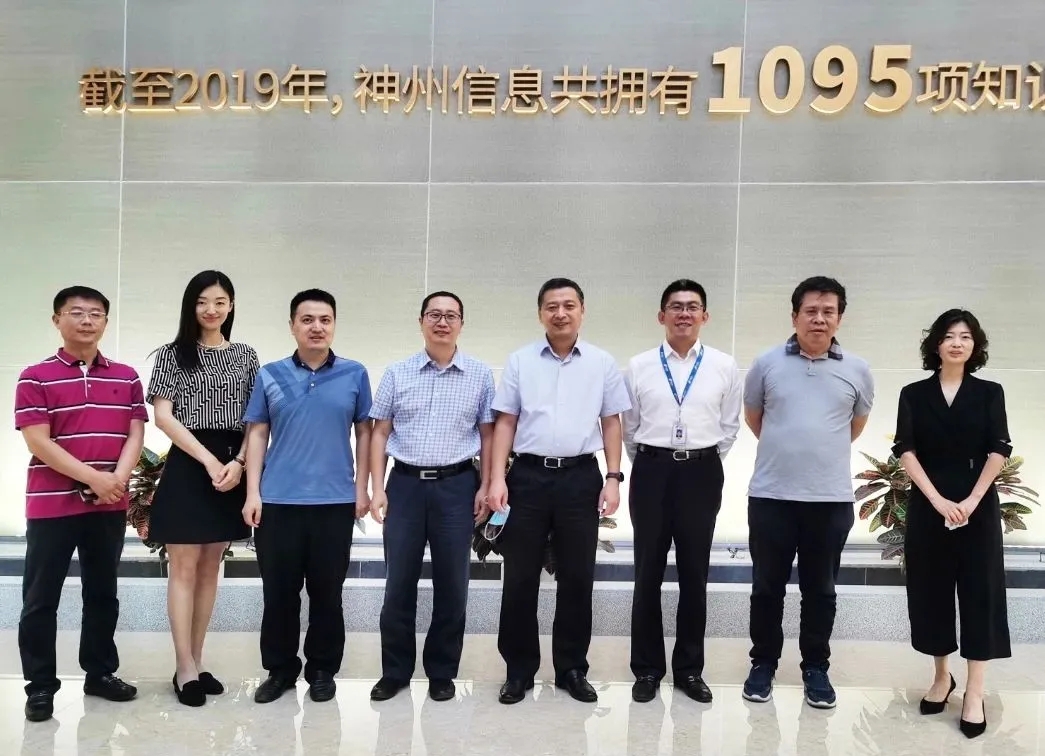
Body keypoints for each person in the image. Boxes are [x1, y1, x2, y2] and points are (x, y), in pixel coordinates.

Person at [486, 277, 632, 705]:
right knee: (519, 578)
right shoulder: (520, 361)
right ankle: (518, 670)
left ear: (582, 311)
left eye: (569, 305)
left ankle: (571, 668)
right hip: (527, 478)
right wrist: (496, 478)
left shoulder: (602, 362)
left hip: (580, 478)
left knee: (577, 577)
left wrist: (613, 477)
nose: (561, 313)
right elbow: (506, 422)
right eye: (552, 306)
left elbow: (611, 421)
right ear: (540, 314)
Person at [14, 286, 148, 722]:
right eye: (76, 312)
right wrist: (94, 478)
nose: (87, 320)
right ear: (57, 320)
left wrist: (116, 481)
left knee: (103, 593)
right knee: (40, 598)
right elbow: (38, 441)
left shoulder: (126, 376)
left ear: (106, 321)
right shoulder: (35, 376)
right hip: (51, 506)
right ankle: (40, 686)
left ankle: (100, 673)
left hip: (108, 504)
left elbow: (135, 434)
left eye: (95, 313)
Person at [741, 276, 874, 709]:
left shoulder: (857, 369)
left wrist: (817, 453)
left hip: (829, 500)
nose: (819, 319)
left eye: (828, 312)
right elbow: (755, 418)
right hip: (772, 497)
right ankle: (763, 663)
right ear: (794, 316)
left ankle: (815, 668)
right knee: (767, 588)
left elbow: (854, 426)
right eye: (810, 311)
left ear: (839, 318)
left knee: (821, 590)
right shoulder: (766, 363)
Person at [242, 289, 372, 704]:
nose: (317, 327)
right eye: (307, 319)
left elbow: (365, 433)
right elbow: (257, 433)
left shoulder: (354, 374)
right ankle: (280, 670)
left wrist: (363, 488)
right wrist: (253, 492)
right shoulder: (270, 374)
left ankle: (321, 670)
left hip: (334, 503)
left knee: (327, 594)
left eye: (325, 320)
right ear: (292, 325)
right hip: (278, 502)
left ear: (334, 325)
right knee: (278, 593)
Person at [367, 291, 496, 703]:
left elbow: (489, 434)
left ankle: (442, 672)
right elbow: (380, 432)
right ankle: (395, 671)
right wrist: (377, 488)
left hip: (457, 486)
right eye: (434, 315)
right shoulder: (397, 373)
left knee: (453, 584)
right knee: (398, 583)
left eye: (451, 315)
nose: (442, 322)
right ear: (421, 321)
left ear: (462, 323)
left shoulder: (479, 374)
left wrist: (486, 484)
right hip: (404, 486)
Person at [892, 309, 1010, 739]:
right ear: (936, 344)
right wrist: (939, 501)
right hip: (930, 507)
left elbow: (999, 447)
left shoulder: (990, 392)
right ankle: (942, 676)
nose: (957, 343)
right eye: (948, 336)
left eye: (965, 336)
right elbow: (905, 449)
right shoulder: (913, 394)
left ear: (975, 345)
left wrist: (972, 500)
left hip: (978, 508)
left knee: (981, 595)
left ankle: (975, 692)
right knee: (931, 593)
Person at [622, 279, 741, 704]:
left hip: (701, 472)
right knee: (647, 572)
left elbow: (729, 426)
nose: (684, 313)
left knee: (695, 574)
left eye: (692, 307)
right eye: (676, 306)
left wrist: (699, 458)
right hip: (651, 471)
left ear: (704, 316)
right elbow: (629, 427)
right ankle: (647, 669)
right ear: (662, 316)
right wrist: (654, 459)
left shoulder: (724, 365)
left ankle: (690, 670)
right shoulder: (639, 365)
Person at [146, 270, 260, 707]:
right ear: (190, 306)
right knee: (184, 566)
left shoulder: (246, 355)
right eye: (202, 302)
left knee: (212, 565)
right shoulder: (173, 354)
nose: (211, 310)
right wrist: (210, 460)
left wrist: (240, 462)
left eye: (220, 302)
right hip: (190, 462)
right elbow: (164, 416)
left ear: (231, 306)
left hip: (232, 465)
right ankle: (183, 667)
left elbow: (256, 418)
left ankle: (196, 659)